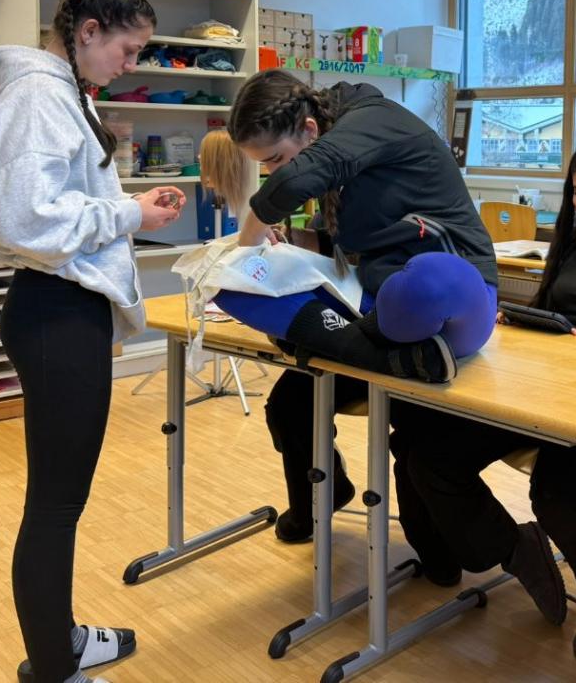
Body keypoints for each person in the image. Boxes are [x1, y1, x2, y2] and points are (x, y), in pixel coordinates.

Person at [0, 0, 186, 683]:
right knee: (55, 506)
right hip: (55, 313)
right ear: (88, 32)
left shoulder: (64, 92)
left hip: (66, 309)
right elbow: (27, 218)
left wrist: (130, 206)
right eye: (127, 48)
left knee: (63, 500)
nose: (132, 64)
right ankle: (54, 667)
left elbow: (60, 198)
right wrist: (130, 214)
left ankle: (63, 639)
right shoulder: (36, 95)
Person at [392, 133, 576, 664]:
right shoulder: (573, 241)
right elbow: (549, 306)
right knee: (430, 455)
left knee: (561, 496)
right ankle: (514, 548)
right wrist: (521, 321)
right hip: (544, 388)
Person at [198, 69, 498, 544]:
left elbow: (297, 180)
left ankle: (343, 344)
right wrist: (282, 248)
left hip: (450, 297)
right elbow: (348, 244)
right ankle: (318, 500)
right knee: (289, 402)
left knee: (415, 291)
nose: (273, 171)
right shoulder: (337, 149)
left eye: (274, 159)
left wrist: (249, 240)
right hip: (376, 311)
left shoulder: (372, 120)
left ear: (309, 129)